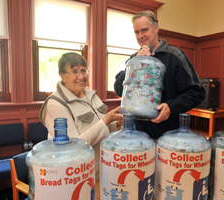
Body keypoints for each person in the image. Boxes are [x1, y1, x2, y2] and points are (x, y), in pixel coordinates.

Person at [114, 11, 205, 139]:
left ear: (156, 28)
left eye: (144, 30)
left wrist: (171, 107)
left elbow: (197, 92)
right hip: (136, 134)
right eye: (137, 32)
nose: (141, 36)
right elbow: (119, 89)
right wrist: (133, 64)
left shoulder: (175, 56)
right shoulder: (134, 58)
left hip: (167, 136)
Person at [40, 52, 123, 180]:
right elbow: (73, 146)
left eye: (84, 71)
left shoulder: (90, 93)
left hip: (104, 171)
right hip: (79, 177)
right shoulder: (55, 104)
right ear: (62, 76)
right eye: (75, 72)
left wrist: (116, 123)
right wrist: (106, 120)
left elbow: (100, 124)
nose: (81, 77)